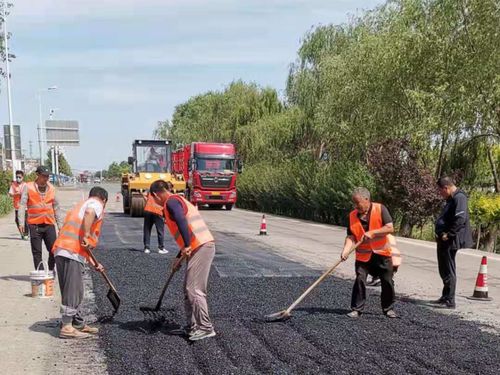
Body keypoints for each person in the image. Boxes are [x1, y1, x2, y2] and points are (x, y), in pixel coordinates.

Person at [149, 179, 216, 341]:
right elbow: (185, 230)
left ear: (156, 194)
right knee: (188, 288)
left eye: (152, 198)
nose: (153, 201)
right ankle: (192, 325)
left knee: (194, 289)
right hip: (196, 246)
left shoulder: (172, 202)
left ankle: (205, 327)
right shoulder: (175, 201)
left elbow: (181, 220)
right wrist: (178, 257)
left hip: (201, 246)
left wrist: (186, 245)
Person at [52, 186, 108, 339]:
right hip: (71, 252)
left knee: (70, 288)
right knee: (74, 291)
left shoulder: (78, 207)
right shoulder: (95, 204)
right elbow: (90, 214)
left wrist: (93, 262)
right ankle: (67, 327)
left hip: (62, 249)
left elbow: (80, 239)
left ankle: (77, 323)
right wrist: (88, 233)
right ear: (103, 200)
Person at [341, 187, 397, 318]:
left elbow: (390, 228)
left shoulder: (380, 209)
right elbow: (351, 236)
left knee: (387, 281)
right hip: (363, 255)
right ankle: (356, 309)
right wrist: (346, 250)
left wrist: (373, 232)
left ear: (367, 200)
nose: (356, 206)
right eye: (354, 203)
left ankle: (388, 308)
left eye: (357, 202)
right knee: (360, 279)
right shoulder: (352, 216)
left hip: (382, 253)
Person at [433, 176, 473, 309]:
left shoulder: (459, 198)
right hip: (444, 239)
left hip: (451, 240)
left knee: (449, 269)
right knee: (443, 268)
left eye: (441, 191)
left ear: (446, 188)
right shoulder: (451, 198)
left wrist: (448, 234)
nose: (440, 194)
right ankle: (445, 296)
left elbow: (460, 219)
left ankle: (450, 300)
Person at [19, 166, 63, 271]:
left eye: (47, 176)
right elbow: (22, 205)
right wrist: (21, 223)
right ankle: (41, 273)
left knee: (53, 250)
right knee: (37, 252)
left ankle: (51, 270)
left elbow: (56, 207)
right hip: (34, 225)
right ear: (37, 175)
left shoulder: (52, 188)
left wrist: (60, 226)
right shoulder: (28, 187)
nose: (46, 179)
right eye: (43, 176)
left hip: (49, 224)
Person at [8, 170, 28, 239]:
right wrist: (15, 194)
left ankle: (26, 234)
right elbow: (10, 194)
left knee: (25, 221)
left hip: (25, 207)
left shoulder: (25, 185)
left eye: (19, 177)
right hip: (17, 206)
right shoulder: (13, 185)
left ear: (22, 177)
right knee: (17, 220)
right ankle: (22, 233)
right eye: (17, 177)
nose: (18, 178)